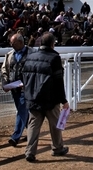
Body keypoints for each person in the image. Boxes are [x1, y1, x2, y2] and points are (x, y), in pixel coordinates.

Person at [21, 33, 70, 162]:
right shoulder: (55, 58)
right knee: (55, 124)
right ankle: (57, 148)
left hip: (33, 97)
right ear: (52, 44)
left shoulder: (30, 56)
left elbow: (23, 76)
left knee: (33, 125)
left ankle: (30, 152)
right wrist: (63, 100)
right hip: (50, 98)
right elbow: (59, 81)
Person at [1, 34, 30, 147]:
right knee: (22, 110)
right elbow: (4, 69)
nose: (11, 45)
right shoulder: (9, 55)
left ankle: (15, 137)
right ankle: (32, 132)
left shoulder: (31, 53)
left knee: (22, 109)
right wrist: (5, 83)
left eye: (13, 43)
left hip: (26, 88)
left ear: (21, 42)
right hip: (13, 87)